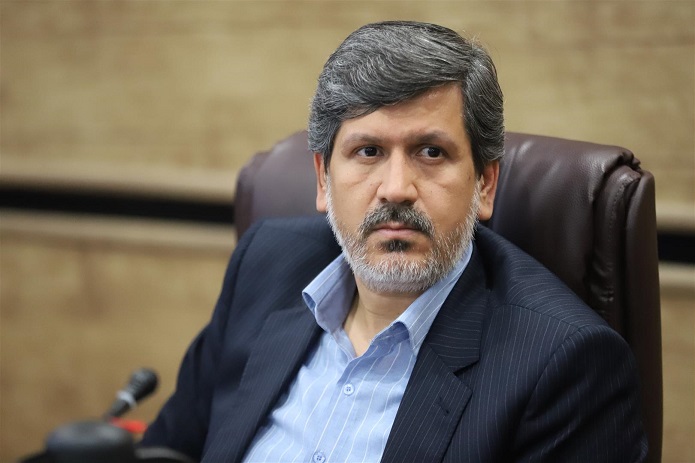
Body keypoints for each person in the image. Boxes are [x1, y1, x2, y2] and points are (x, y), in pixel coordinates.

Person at [141, 21, 648, 462]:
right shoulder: (265, 265)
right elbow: (173, 449)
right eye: (368, 151)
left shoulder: (566, 364)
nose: (396, 188)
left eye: (431, 152)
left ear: (485, 184)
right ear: (322, 180)